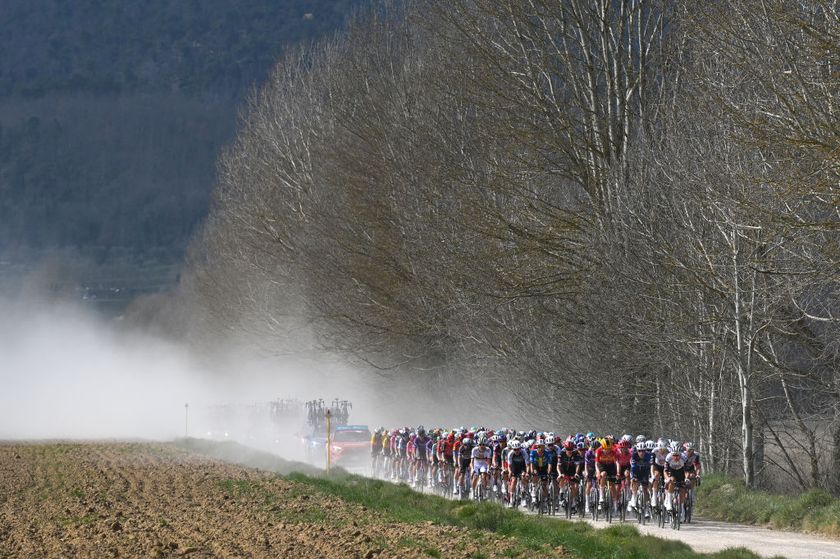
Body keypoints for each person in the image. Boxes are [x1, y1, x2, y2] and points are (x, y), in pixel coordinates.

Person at [664, 441, 688, 520]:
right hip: (672, 472)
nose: (676, 457)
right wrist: (667, 479)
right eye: (674, 455)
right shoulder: (668, 458)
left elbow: (686, 471)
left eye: (677, 455)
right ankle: (669, 503)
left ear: (680, 454)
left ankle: (681, 509)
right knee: (672, 481)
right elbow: (665, 471)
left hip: (681, 472)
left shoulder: (684, 458)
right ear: (671, 454)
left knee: (683, 489)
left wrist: (686, 478)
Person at [595, 436, 620, 512]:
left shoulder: (613, 451)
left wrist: (618, 473)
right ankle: (601, 496)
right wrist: (598, 472)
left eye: (609, 449)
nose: (608, 451)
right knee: (604, 474)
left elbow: (617, 463)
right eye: (606, 449)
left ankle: (615, 504)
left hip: (610, 465)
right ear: (602, 447)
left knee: (612, 486)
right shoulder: (598, 451)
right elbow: (596, 463)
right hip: (601, 465)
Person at [557, 439, 582, 514]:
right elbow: (558, 466)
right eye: (568, 449)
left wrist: (576, 473)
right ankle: (561, 494)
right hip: (563, 470)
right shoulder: (561, 453)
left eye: (571, 449)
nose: (569, 451)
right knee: (562, 479)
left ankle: (573, 503)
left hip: (572, 471)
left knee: (575, 487)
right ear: (565, 448)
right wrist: (559, 474)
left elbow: (578, 465)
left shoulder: (576, 454)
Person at [628, 441, 652, 517]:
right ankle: (634, 498)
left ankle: (646, 508)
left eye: (643, 451)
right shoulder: (634, 456)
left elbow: (651, 467)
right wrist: (633, 477)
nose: (641, 453)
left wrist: (651, 476)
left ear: (645, 451)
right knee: (635, 482)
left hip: (645, 472)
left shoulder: (649, 456)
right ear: (637, 451)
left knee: (645, 489)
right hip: (636, 471)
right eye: (639, 451)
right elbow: (632, 468)